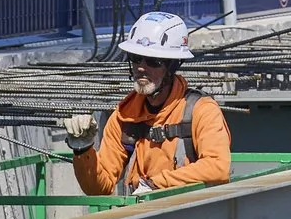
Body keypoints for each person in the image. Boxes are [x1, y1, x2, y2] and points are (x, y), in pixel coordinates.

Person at [60, 11, 232, 198]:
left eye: (153, 61)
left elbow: (218, 167)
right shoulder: (124, 116)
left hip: (189, 218)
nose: (141, 67)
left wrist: (155, 185)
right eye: (135, 58)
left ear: (173, 66)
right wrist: (83, 150)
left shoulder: (200, 110)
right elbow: (99, 188)